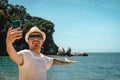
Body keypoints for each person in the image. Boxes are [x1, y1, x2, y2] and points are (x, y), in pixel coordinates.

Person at [6, 26, 77, 80]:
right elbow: (14, 55)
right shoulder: (26, 54)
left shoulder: (44, 58)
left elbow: (53, 61)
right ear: (28, 41)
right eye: (32, 37)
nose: (35, 39)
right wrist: (8, 43)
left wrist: (66, 62)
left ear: (42, 41)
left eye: (38, 36)